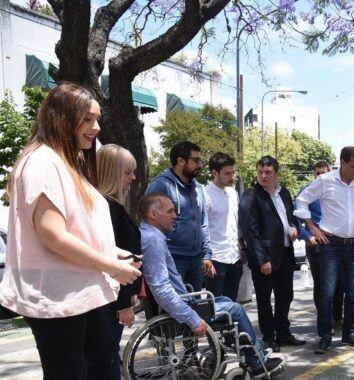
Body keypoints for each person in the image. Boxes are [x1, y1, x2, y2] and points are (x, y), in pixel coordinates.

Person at [0, 83, 141, 379]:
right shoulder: (42, 162)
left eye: (97, 119)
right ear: (62, 118)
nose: (97, 127)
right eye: (88, 119)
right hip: (59, 298)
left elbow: (75, 227)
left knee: (100, 365)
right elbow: (52, 235)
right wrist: (112, 265)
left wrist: (114, 254)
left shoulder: (63, 160)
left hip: (78, 294)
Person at [140, 192, 284, 377]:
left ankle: (242, 352)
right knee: (235, 309)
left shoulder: (148, 234)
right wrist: (192, 318)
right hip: (179, 309)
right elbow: (161, 288)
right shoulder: (153, 240)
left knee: (223, 299)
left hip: (180, 302)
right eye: (170, 211)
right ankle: (256, 362)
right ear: (153, 213)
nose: (175, 215)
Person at [294, 146, 354, 354]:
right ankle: (325, 337)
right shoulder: (325, 181)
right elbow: (302, 200)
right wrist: (312, 227)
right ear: (342, 163)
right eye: (353, 166)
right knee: (327, 292)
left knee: (352, 293)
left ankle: (349, 334)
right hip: (330, 245)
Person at [240, 156, 305, 353]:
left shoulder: (283, 192)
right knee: (264, 300)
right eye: (260, 172)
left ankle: (283, 333)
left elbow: (292, 215)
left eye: (268, 172)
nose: (263, 176)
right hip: (265, 258)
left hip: (285, 252)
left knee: (285, 295)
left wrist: (294, 226)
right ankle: (269, 337)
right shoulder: (251, 195)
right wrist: (262, 259)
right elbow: (250, 231)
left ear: (276, 173)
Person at [96, 144, 143, 379]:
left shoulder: (111, 205)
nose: (133, 178)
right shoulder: (108, 207)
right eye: (127, 172)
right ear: (111, 172)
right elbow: (110, 256)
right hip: (111, 298)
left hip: (112, 296)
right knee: (107, 360)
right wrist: (124, 304)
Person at [146, 141, 212, 291]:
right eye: (196, 160)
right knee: (175, 309)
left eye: (200, 160)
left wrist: (207, 254)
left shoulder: (198, 188)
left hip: (196, 260)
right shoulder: (162, 185)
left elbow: (203, 222)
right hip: (172, 259)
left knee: (196, 307)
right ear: (180, 161)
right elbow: (149, 222)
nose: (200, 165)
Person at [297, 161, 346, 330]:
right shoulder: (307, 191)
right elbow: (296, 219)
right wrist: (307, 236)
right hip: (316, 244)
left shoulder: (337, 189)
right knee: (322, 285)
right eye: (317, 173)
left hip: (338, 242)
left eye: (323, 173)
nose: (320, 176)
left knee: (339, 282)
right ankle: (325, 322)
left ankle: (337, 317)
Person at [204, 152, 243, 300]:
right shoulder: (205, 194)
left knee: (232, 304)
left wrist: (242, 247)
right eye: (227, 174)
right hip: (216, 259)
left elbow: (236, 224)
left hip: (235, 257)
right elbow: (203, 228)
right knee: (215, 306)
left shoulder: (233, 193)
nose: (232, 177)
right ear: (214, 173)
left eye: (233, 173)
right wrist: (206, 258)